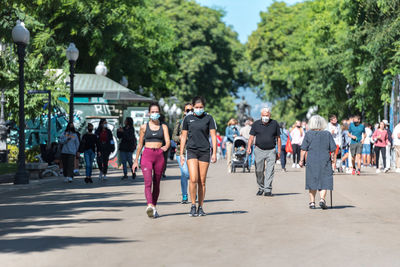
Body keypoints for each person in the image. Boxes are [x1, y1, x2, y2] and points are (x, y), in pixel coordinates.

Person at [180, 96, 217, 217]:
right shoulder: (188, 118)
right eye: (196, 107)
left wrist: (215, 153)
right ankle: (192, 205)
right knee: (193, 178)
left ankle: (201, 206)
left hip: (205, 151)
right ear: (193, 107)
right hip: (192, 151)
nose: (199, 109)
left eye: (201, 107)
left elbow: (213, 136)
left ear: (204, 107)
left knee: (202, 181)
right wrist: (181, 153)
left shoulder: (209, 118)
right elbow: (184, 136)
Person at [132, 102, 170, 218]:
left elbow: (168, 141)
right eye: (152, 112)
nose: (154, 114)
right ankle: (149, 205)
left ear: (159, 113)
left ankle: (153, 207)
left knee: (157, 183)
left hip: (159, 155)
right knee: (148, 182)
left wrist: (166, 147)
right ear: (149, 113)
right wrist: (135, 161)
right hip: (147, 155)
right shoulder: (144, 127)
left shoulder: (163, 127)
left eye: (156, 112)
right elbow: (140, 145)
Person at [299, 115, 336, 210]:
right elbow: (333, 149)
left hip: (312, 159)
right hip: (325, 159)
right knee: (325, 179)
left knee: (312, 180)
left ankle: (312, 202)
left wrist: (301, 160)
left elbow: (303, 149)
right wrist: (333, 161)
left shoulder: (308, 134)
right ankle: (322, 199)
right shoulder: (327, 134)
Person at [247, 107, 281, 196]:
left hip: (271, 150)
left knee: (270, 170)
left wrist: (279, 151)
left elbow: (278, 138)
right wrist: (249, 147)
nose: (265, 117)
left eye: (267, 115)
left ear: (270, 115)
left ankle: (267, 189)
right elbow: (251, 137)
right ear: (261, 115)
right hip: (259, 150)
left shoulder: (274, 123)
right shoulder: (256, 124)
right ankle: (261, 187)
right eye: (263, 115)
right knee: (259, 170)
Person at [172, 102, 193, 204]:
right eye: (187, 110)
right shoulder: (180, 121)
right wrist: (180, 138)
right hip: (181, 151)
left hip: (193, 151)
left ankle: (191, 193)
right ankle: (185, 195)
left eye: (191, 110)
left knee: (190, 174)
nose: (189, 112)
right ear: (184, 111)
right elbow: (174, 136)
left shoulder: (196, 121)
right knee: (185, 173)